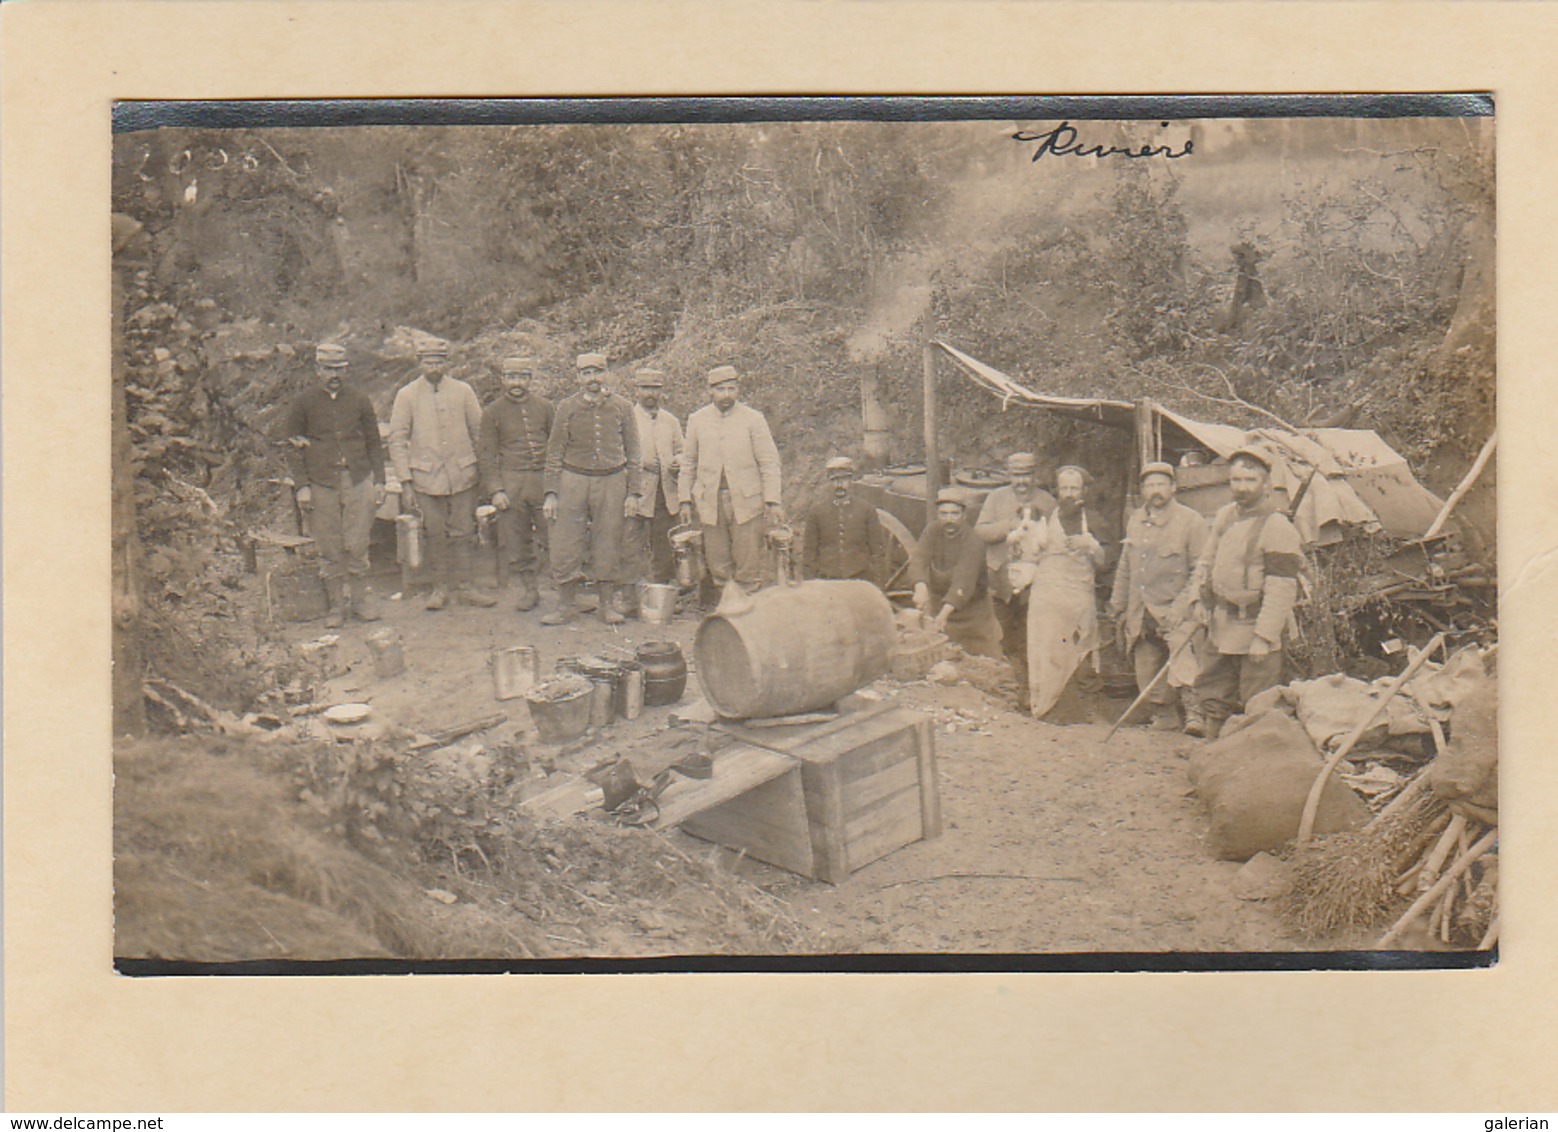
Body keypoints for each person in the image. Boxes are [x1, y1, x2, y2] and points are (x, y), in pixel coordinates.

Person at [1185, 446, 1304, 739]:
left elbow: (1282, 588)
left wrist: (1264, 637)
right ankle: (1212, 750)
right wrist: (1198, 599)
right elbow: (1206, 560)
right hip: (1221, 622)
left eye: (1250, 481)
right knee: (1212, 689)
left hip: (1255, 626)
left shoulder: (1278, 527)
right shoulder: (1226, 516)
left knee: (1257, 701)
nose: (1241, 488)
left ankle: (1251, 759)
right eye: (1236, 480)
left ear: (1266, 485)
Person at [387, 336, 498, 611]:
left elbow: (479, 433)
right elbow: (397, 440)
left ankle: (466, 586)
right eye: (428, 361)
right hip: (426, 479)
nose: (434, 366)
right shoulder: (407, 395)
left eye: (438, 361)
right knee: (434, 533)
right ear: (420, 362)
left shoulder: (463, 391)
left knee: (464, 531)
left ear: (447, 362)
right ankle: (439, 588)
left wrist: (484, 473)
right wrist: (406, 481)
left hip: (463, 476)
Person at [283, 342, 387, 628]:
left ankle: (359, 602)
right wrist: (302, 485)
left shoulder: (360, 400)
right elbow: (293, 447)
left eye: (339, 369)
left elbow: (374, 444)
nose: (334, 374)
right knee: (329, 545)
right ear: (318, 370)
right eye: (328, 369)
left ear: (346, 370)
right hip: (321, 482)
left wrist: (379, 481)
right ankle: (335, 607)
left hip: (357, 478)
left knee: (357, 543)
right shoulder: (303, 402)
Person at [540, 352, 644, 625]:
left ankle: (607, 605)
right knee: (565, 541)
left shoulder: (622, 407)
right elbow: (554, 452)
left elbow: (634, 451)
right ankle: (565, 606)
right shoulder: (567, 407)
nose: (592, 379)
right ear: (577, 377)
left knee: (608, 541)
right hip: (572, 479)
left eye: (597, 372)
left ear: (606, 374)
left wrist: (634, 492)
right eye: (586, 373)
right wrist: (551, 492)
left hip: (612, 481)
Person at [1108, 461, 1209, 730]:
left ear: (1173, 488)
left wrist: (1181, 608)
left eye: (1161, 484)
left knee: (1184, 660)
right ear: (1142, 490)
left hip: (1178, 607)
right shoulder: (1136, 521)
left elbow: (1200, 571)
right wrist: (1118, 604)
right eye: (1150, 485)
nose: (1156, 491)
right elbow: (1126, 565)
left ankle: (1195, 715)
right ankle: (1163, 716)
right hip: (1142, 607)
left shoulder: (1191, 522)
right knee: (1146, 664)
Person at [1013, 464, 1115, 719]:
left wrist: (1090, 544)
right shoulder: (1045, 516)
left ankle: (1085, 709)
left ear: (1084, 491)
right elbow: (1028, 553)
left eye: (1074, 488)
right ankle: (1047, 707)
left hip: (1078, 593)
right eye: (1064, 488)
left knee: (1083, 648)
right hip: (1047, 593)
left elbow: (1108, 561)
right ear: (1057, 491)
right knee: (1046, 650)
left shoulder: (1094, 519)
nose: (1069, 494)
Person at [678, 365, 783, 597]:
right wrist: (685, 500)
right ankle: (727, 606)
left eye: (731, 389)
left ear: (738, 390)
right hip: (710, 502)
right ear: (710, 392)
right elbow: (688, 464)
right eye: (721, 389)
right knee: (717, 560)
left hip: (746, 501)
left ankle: (748, 607)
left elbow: (769, 462)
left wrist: (773, 500)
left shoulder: (754, 419)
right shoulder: (697, 420)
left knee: (748, 560)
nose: (726, 395)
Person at [974, 451, 1057, 708]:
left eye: (1027, 475)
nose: (1022, 481)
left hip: (1034, 582)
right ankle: (1007, 690)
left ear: (1035, 475)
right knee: (1001, 635)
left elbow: (1056, 542)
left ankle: (1033, 692)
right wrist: (1010, 525)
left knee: (1031, 637)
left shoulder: (1047, 501)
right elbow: (980, 531)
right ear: (1009, 475)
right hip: (1000, 580)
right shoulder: (995, 499)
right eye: (1016, 475)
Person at [478, 355, 554, 612]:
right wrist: (496, 490)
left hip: (543, 481)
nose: (517, 382)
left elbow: (556, 448)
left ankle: (565, 590)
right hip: (511, 483)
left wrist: (556, 485)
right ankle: (529, 590)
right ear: (503, 380)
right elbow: (487, 455)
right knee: (517, 540)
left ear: (530, 379)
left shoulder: (545, 407)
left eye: (522, 376)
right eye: (511, 377)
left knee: (554, 535)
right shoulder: (492, 412)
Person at [908, 487, 1003, 658]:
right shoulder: (932, 530)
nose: (949, 519)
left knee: (985, 664)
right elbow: (919, 559)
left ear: (964, 515)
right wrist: (920, 586)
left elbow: (963, 583)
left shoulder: (973, 542)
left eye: (954, 514)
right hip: (940, 611)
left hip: (972, 618)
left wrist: (943, 615)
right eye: (944, 514)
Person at [625, 367, 684, 594]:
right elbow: (617, 452)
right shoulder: (627, 417)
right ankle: (632, 594)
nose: (650, 394)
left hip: (666, 491)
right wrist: (643, 464)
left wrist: (677, 461)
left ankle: (662, 592)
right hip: (636, 490)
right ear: (637, 390)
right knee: (632, 542)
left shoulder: (670, 420)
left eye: (655, 389)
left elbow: (682, 449)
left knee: (663, 542)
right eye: (645, 388)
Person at [800, 456, 888, 585]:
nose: (839, 485)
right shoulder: (816, 512)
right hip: (828, 581)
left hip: (859, 579)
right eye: (834, 480)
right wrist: (811, 586)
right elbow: (809, 554)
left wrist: (879, 586)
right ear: (829, 482)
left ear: (851, 480)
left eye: (843, 479)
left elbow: (878, 552)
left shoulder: (866, 509)